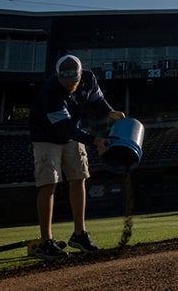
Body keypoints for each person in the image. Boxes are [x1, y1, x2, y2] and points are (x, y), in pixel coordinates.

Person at [29, 54, 125, 259]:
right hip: (46, 137)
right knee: (49, 184)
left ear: (80, 75)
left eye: (74, 81)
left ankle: (79, 234)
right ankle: (46, 241)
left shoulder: (89, 79)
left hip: (72, 133)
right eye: (65, 81)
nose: (70, 85)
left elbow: (98, 100)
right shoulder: (50, 92)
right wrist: (95, 141)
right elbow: (64, 127)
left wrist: (110, 112)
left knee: (79, 178)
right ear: (57, 76)